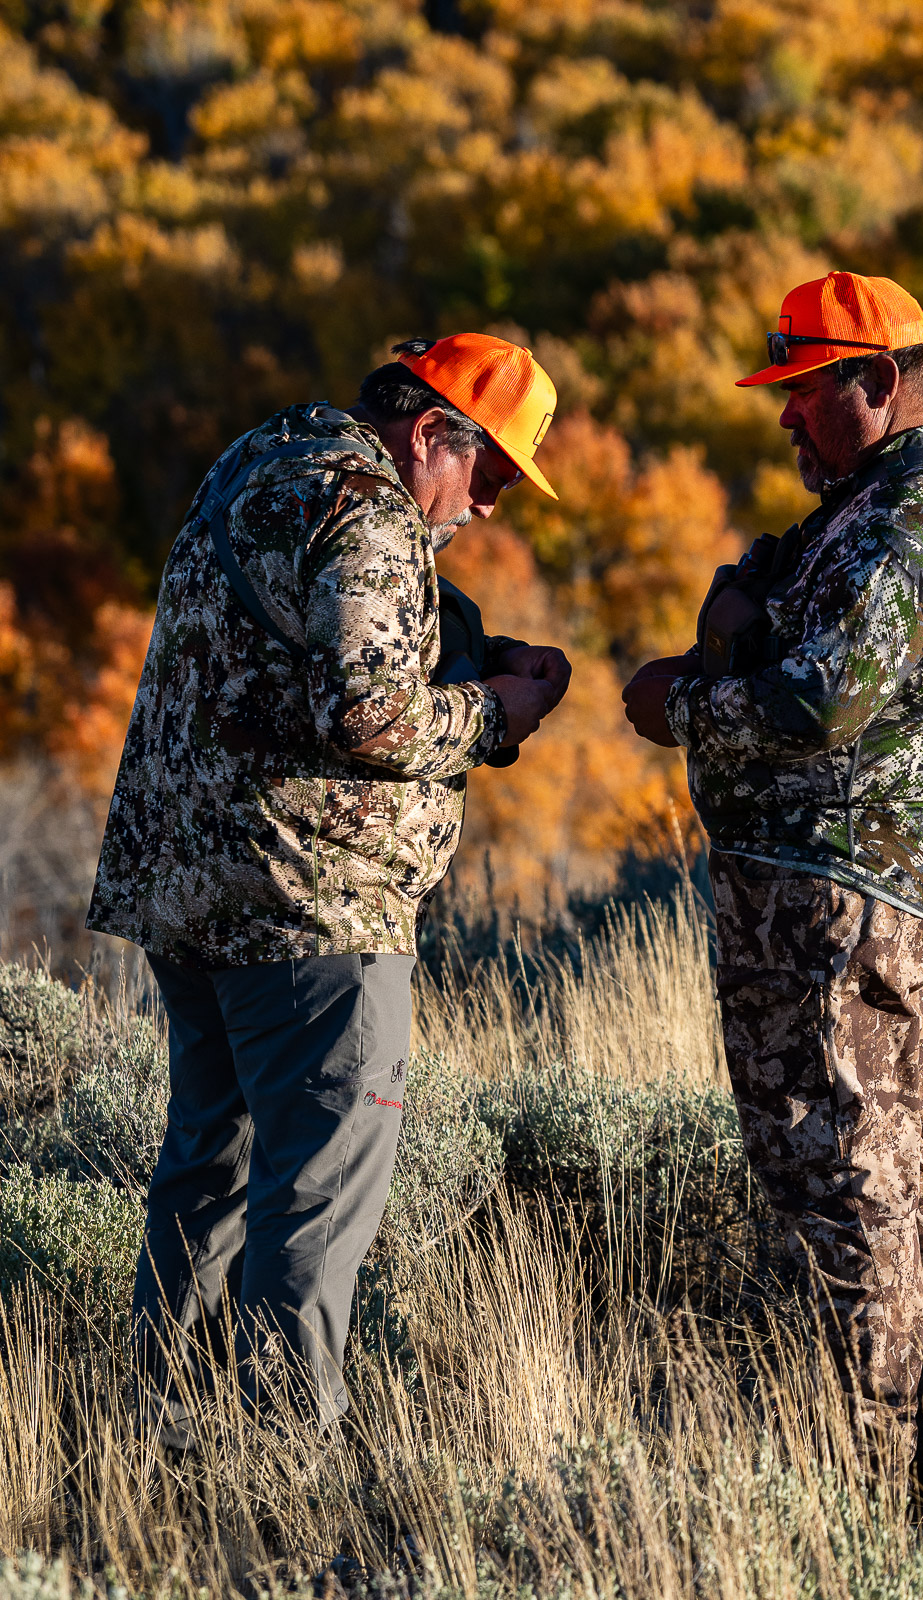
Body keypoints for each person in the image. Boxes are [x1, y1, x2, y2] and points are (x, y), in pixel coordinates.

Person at [88, 333, 570, 1439]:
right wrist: (502, 713)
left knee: (208, 1169)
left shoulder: (264, 459)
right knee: (314, 1193)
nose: (490, 505)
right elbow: (371, 714)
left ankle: (155, 1432)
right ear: (428, 432)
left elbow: (290, 665)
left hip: (190, 886)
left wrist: (467, 654)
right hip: (312, 907)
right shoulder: (370, 510)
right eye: (490, 470)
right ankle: (281, 1456)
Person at [622, 272, 923, 1471]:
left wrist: (681, 701)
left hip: (832, 899)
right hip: (866, 890)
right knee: (899, 1164)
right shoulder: (892, 497)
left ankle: (866, 1481)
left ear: (877, 382)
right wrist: (745, 616)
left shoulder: (922, 507)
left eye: (805, 392)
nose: (786, 417)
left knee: (835, 1176)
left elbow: (819, 701)